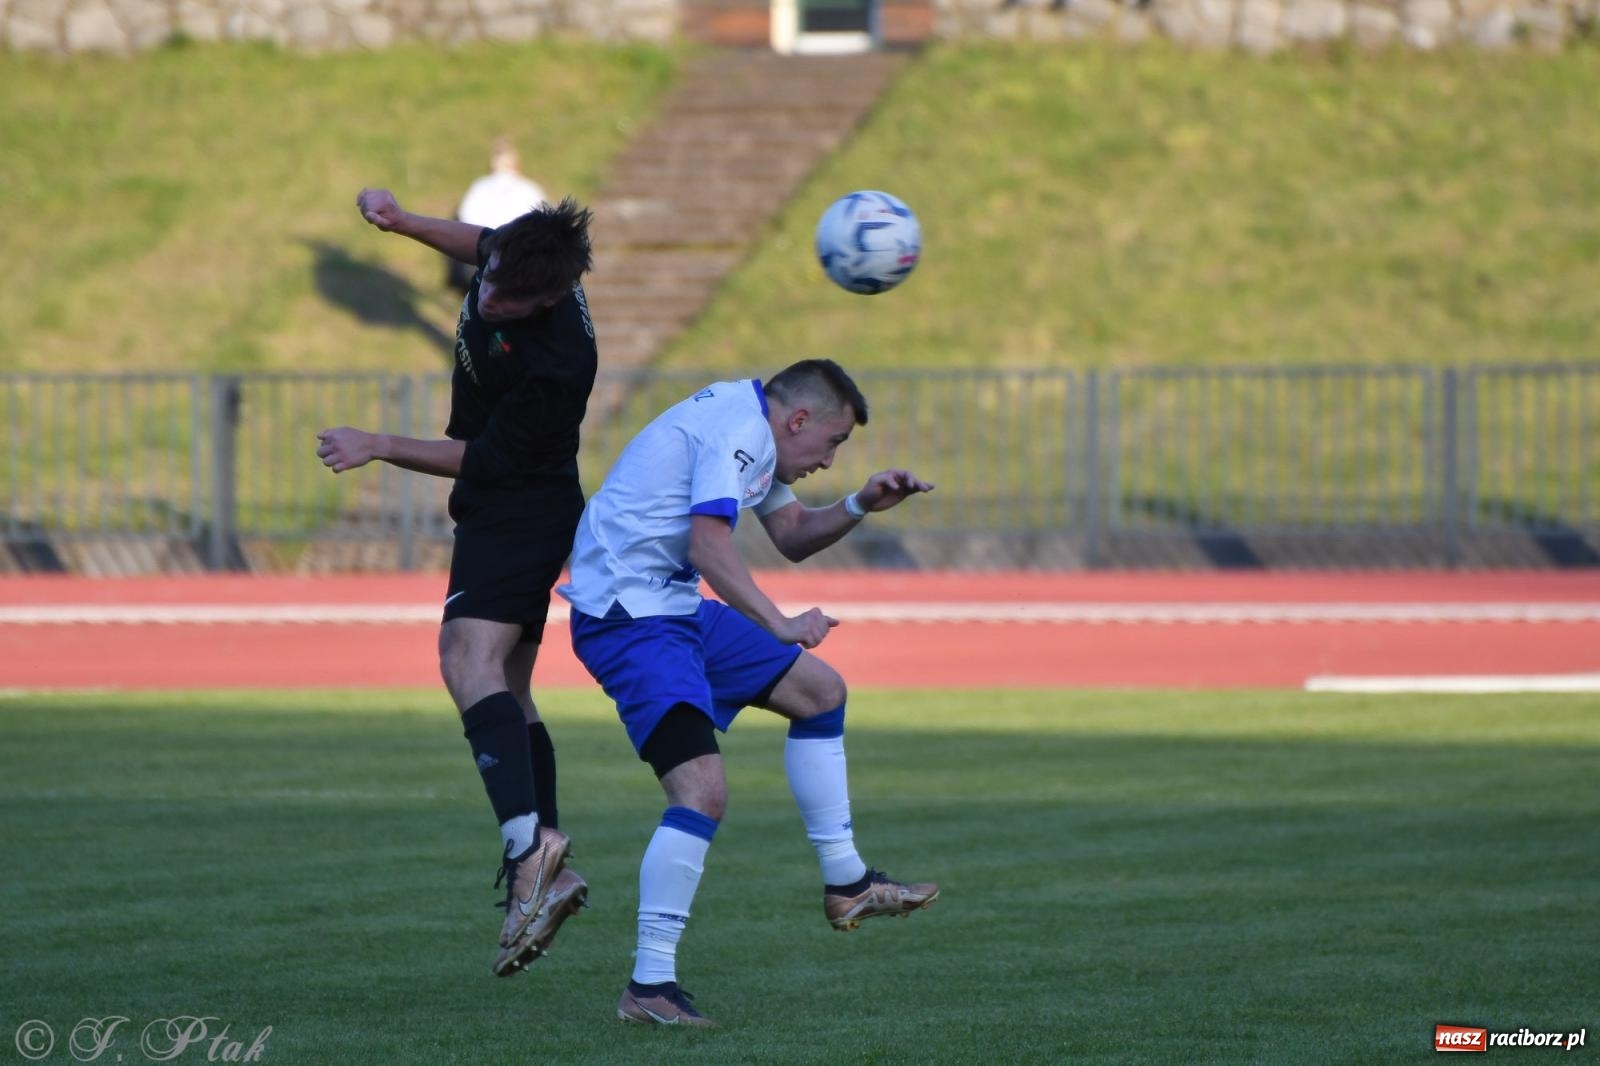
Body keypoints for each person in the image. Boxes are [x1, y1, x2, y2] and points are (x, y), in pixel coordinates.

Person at [557, 358, 940, 1027]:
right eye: (833, 442)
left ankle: (848, 883)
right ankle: (650, 986)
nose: (828, 460)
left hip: (671, 608)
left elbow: (790, 537)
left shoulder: (754, 428)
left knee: (820, 692)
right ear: (798, 419)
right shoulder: (738, 428)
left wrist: (858, 504)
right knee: (701, 792)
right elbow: (708, 547)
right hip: (630, 618)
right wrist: (780, 623)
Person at [316, 187, 596, 977]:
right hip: (504, 507)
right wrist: (404, 224)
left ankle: (530, 852)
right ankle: (547, 870)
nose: (491, 296)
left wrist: (377, 443)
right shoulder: (512, 254)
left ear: (554, 296)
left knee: (463, 662)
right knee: (508, 687)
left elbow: (480, 456)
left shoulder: (561, 360)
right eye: (493, 276)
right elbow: (477, 242)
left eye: (511, 297)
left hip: (524, 505)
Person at [448, 138, 548, 291]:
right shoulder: (529, 189)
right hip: (517, 254)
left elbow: (466, 215)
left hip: (485, 251)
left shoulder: (481, 186)